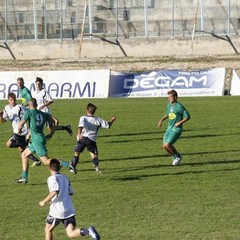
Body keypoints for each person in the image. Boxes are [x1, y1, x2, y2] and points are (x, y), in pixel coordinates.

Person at [39, 158, 100, 240]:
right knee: (70, 233)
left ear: (49, 168)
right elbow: (70, 192)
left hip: (57, 210)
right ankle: (88, 231)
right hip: (69, 209)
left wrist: (44, 201)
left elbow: (54, 191)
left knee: (48, 229)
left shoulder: (52, 178)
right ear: (60, 167)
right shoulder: (65, 178)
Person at [17, 98, 73, 183]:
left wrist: (19, 131)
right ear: (36, 105)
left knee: (46, 161)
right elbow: (54, 122)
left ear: (29, 105)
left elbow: (21, 124)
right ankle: (24, 177)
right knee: (24, 155)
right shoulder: (43, 114)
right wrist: (51, 133)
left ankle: (67, 164)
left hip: (36, 140)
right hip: (40, 137)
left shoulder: (29, 112)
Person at [69, 103, 116, 175]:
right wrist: (112, 119)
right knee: (94, 155)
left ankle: (73, 167)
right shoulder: (98, 120)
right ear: (94, 111)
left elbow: (80, 126)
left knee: (77, 153)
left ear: (87, 110)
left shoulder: (83, 118)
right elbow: (108, 125)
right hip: (91, 140)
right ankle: (96, 166)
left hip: (82, 138)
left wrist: (79, 134)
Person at [0, 92, 41, 167]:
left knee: (8, 144)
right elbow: (3, 121)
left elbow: (29, 112)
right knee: (21, 149)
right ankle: (36, 161)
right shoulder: (6, 108)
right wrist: (0, 116)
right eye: (11, 100)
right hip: (16, 130)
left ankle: (28, 144)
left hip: (21, 130)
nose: (13, 101)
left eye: (14, 99)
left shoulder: (19, 107)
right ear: (8, 100)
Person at [157, 89, 190, 166]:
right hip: (169, 128)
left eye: (170, 97)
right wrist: (161, 120)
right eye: (168, 97)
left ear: (175, 97)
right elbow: (168, 114)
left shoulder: (179, 106)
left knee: (167, 145)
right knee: (164, 146)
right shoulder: (169, 105)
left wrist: (179, 122)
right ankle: (174, 156)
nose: (168, 99)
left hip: (176, 129)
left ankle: (178, 156)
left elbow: (188, 116)